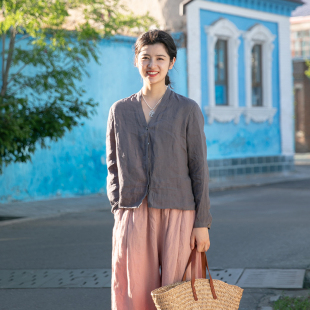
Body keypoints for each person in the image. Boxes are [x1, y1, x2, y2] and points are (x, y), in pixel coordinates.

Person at [106, 29, 212, 310]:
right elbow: (113, 166)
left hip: (179, 212)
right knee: (135, 292)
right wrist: (118, 210)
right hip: (133, 213)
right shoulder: (119, 111)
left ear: (171, 63)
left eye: (160, 58)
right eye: (145, 58)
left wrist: (201, 223)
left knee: (178, 295)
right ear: (136, 62)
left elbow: (199, 168)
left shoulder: (187, 110)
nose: (152, 65)